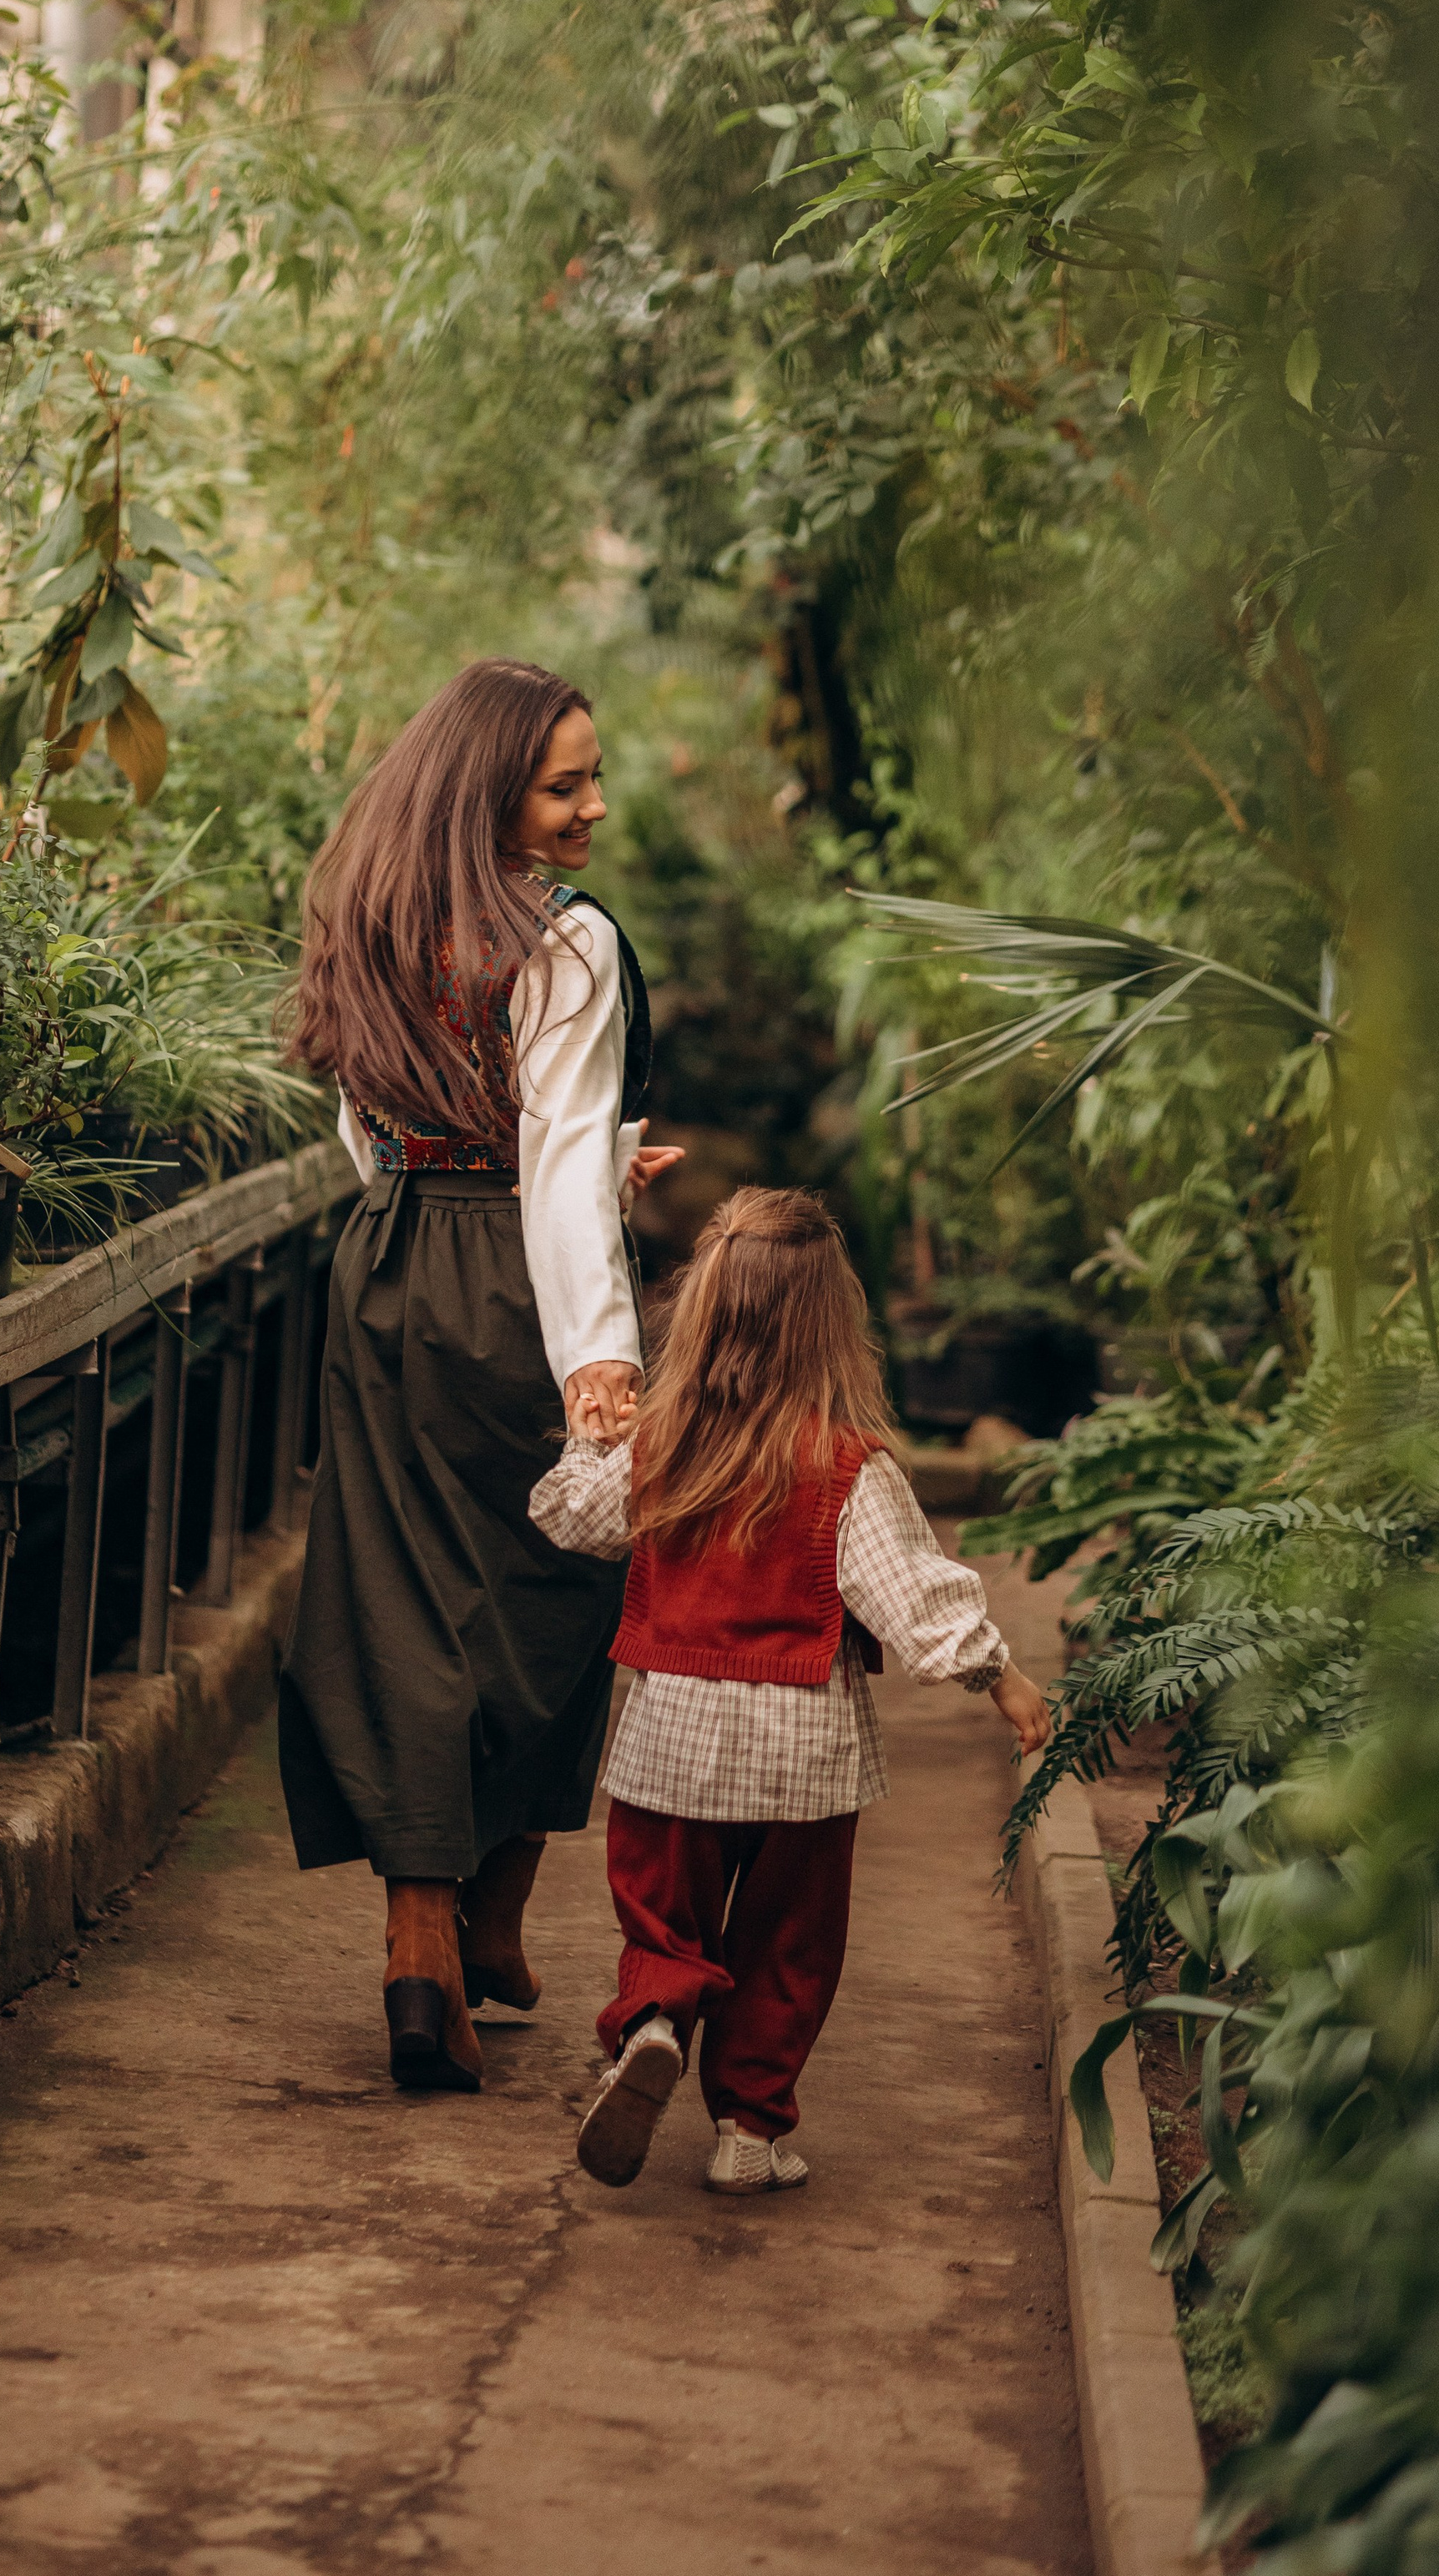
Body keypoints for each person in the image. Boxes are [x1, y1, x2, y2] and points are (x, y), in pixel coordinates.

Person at [282, 658, 684, 2095]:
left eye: (590, 775)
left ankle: (437, 1942)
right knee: (567, 1584)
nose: (590, 804)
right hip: (520, 1281)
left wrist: (441, 1184)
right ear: (492, 786)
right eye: (562, 781)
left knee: (401, 1598)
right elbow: (564, 1163)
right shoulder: (566, 945)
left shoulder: (376, 908)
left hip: (386, 1262)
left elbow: (365, 1114)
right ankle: (462, 1919)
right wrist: (602, 1360)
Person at [575, 1183, 1053, 2195]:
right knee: (788, 1944)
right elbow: (912, 1601)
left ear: (701, 1307)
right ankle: (748, 2130)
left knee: (663, 1917)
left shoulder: (659, 1446)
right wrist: (1002, 1678)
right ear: (834, 1322)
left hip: (669, 1738)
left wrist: (593, 1430)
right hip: (806, 1753)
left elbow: (574, 1518)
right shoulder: (846, 1465)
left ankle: (654, 2018)